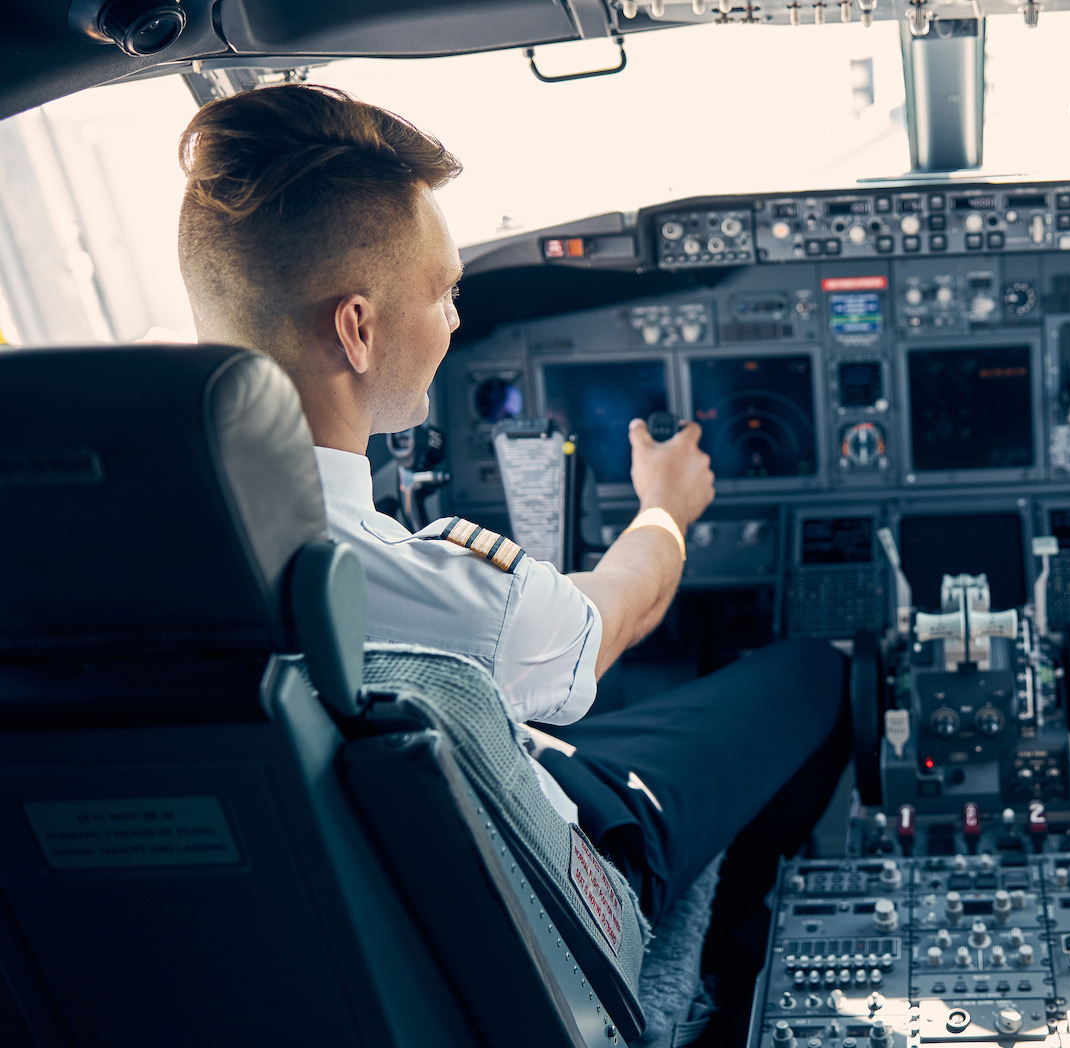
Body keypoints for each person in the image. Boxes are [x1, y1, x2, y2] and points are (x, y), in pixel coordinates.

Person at [173, 84, 850, 945]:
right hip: (559, 872)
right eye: (445, 292)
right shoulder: (425, 594)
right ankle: (727, 950)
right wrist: (665, 507)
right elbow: (615, 613)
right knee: (811, 673)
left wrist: (534, 594)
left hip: (319, 925)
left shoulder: (101, 557)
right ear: (357, 329)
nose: (456, 320)